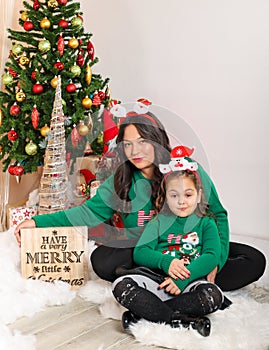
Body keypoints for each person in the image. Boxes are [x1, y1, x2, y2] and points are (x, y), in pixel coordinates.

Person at [14, 107, 266, 292]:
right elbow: (87, 213)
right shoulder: (121, 179)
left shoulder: (187, 170)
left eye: (143, 142)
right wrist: (37, 223)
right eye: (128, 145)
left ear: (156, 141)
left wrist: (215, 263)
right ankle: (167, 276)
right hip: (150, 251)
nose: (135, 152)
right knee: (101, 261)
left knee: (254, 260)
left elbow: (218, 215)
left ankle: (180, 277)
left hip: (192, 247)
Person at [112, 155, 225, 336]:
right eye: (174, 195)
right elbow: (141, 252)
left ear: (199, 196)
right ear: (165, 197)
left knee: (213, 296)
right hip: (157, 282)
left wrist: (183, 279)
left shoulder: (207, 223)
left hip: (188, 284)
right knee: (121, 286)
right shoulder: (158, 222)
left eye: (188, 195)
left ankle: (147, 314)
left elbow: (211, 256)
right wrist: (166, 262)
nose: (181, 201)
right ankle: (180, 320)